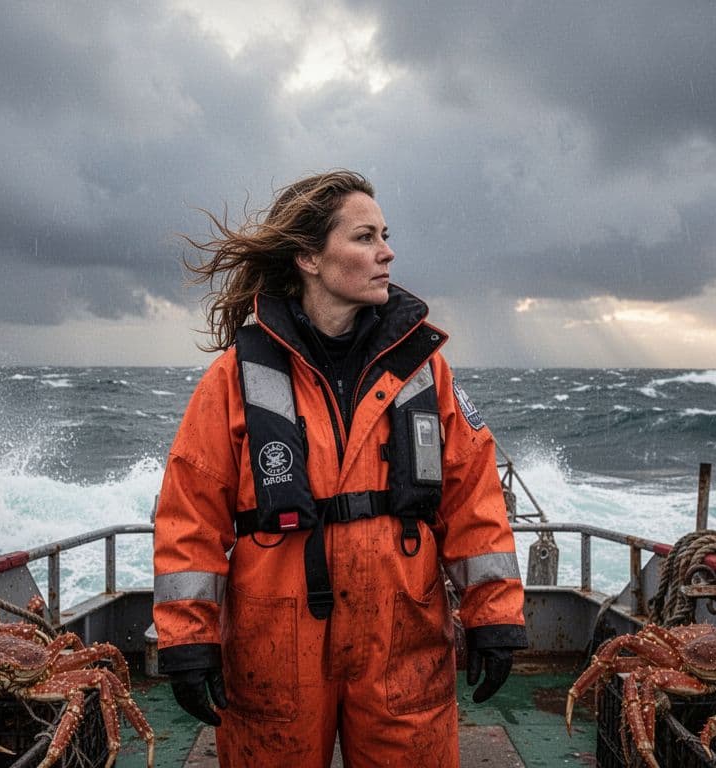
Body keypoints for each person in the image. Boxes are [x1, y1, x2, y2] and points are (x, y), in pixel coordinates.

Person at [152, 170, 527, 766]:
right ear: (308, 257)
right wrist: (189, 639)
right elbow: (190, 515)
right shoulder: (235, 376)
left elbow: (473, 498)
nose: (388, 251)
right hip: (275, 643)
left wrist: (495, 614)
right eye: (365, 237)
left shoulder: (425, 369)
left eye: (385, 234)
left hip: (402, 636)